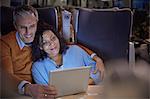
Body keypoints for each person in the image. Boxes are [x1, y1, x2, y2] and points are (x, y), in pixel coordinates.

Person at [0, 5, 104, 98]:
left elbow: (69, 45)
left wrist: (95, 57)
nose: (28, 32)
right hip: (18, 91)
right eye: (23, 27)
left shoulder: (40, 36)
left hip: (40, 90)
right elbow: (5, 77)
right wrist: (27, 88)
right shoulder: (5, 43)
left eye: (32, 26)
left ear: (37, 23)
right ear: (15, 25)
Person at [31, 27, 102, 85]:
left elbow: (98, 73)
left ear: (58, 38)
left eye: (53, 38)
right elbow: (45, 93)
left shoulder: (76, 50)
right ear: (40, 46)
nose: (52, 43)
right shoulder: (37, 67)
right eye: (45, 42)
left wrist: (84, 84)